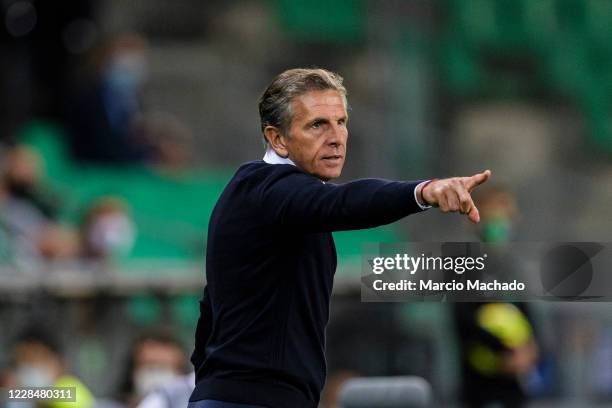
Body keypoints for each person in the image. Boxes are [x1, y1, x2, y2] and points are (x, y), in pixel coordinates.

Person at [190, 68, 492, 408]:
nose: (336, 137)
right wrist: (423, 192)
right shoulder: (265, 189)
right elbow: (344, 202)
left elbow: (210, 308)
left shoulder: (270, 199)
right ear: (277, 139)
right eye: (318, 124)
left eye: (342, 122)